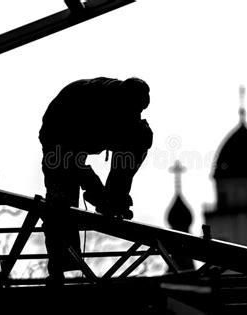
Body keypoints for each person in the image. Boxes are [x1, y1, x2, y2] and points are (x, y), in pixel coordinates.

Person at [39, 76, 153, 284]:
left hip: (91, 134)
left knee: (140, 135)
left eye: (138, 111)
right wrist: (96, 191)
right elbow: (71, 160)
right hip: (60, 132)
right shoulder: (85, 105)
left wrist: (114, 196)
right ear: (120, 104)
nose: (134, 115)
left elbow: (132, 142)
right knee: (61, 195)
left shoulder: (126, 110)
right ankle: (60, 266)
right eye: (131, 111)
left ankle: (114, 195)